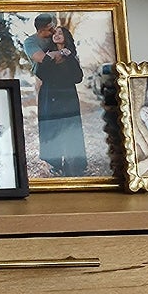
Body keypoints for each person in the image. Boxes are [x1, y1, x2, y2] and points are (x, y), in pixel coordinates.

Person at [26, 15, 87, 176]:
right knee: (51, 129)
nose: (56, 33)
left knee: (70, 127)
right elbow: (42, 71)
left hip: (68, 95)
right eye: (54, 31)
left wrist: (66, 58)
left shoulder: (72, 56)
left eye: (60, 32)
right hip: (49, 95)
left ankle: (73, 162)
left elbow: (78, 77)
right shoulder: (42, 49)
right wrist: (56, 56)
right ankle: (54, 163)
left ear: (66, 37)